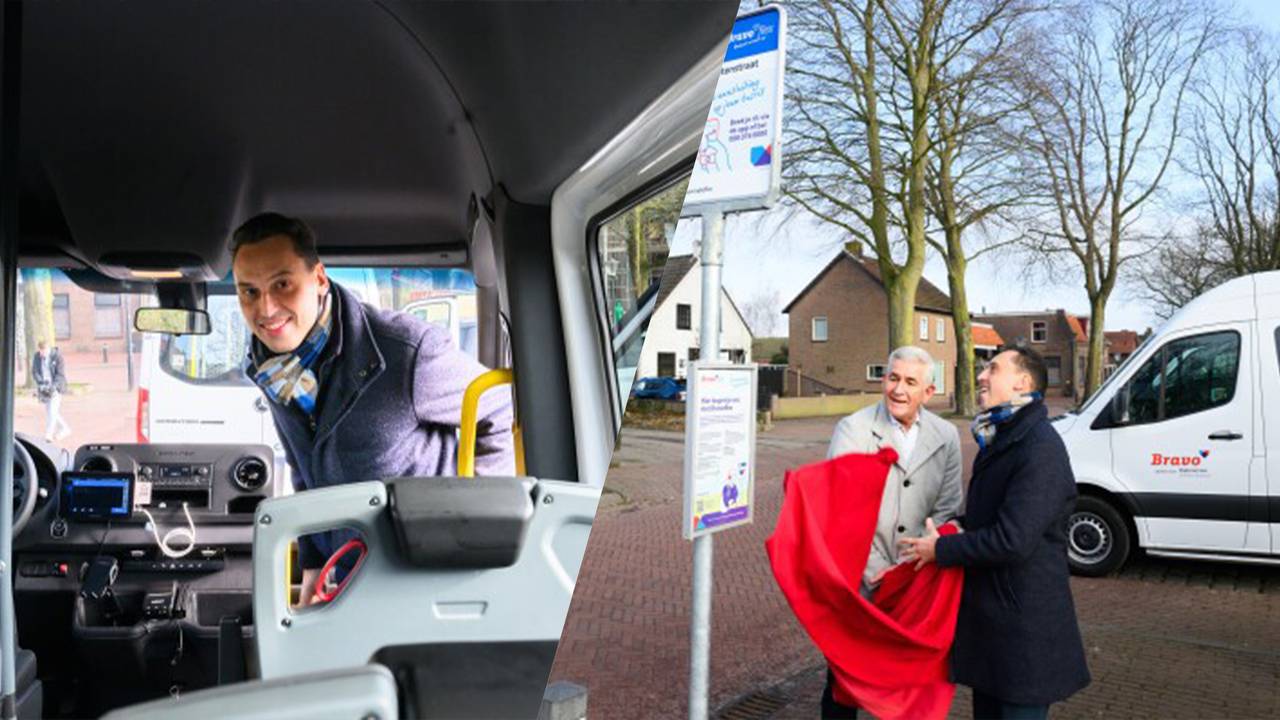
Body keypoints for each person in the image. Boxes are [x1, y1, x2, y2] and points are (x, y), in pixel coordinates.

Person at [231, 212, 515, 605]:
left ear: (318, 279)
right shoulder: (272, 369)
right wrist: (313, 567)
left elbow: (498, 405)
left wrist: (480, 526)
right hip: (348, 579)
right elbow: (303, 470)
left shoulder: (405, 351)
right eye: (249, 291)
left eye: (282, 284)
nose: (266, 309)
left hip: (426, 574)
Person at [899, 346, 1091, 719]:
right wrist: (957, 526)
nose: (981, 376)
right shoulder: (1002, 437)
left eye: (994, 369)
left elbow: (1012, 540)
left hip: (1024, 637)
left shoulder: (1039, 448)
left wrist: (941, 550)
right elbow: (990, 516)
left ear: (1023, 382)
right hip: (997, 631)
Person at [821, 345, 964, 719]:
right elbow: (841, 511)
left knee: (909, 684)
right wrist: (877, 571)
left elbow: (948, 510)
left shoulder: (947, 436)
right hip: (860, 580)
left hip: (916, 581)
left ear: (928, 392)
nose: (898, 389)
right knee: (843, 683)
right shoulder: (853, 430)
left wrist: (912, 566)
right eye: (893, 378)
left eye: (910, 382)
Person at [31, 340, 71, 442]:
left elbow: (60, 374)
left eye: (44, 351)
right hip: (44, 386)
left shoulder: (58, 357)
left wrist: (54, 387)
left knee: (52, 410)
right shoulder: (37, 356)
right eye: (40, 351)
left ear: (48, 349)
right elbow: (35, 372)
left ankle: (48, 435)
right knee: (50, 411)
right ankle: (65, 428)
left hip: (56, 387)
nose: (42, 354)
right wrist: (41, 382)